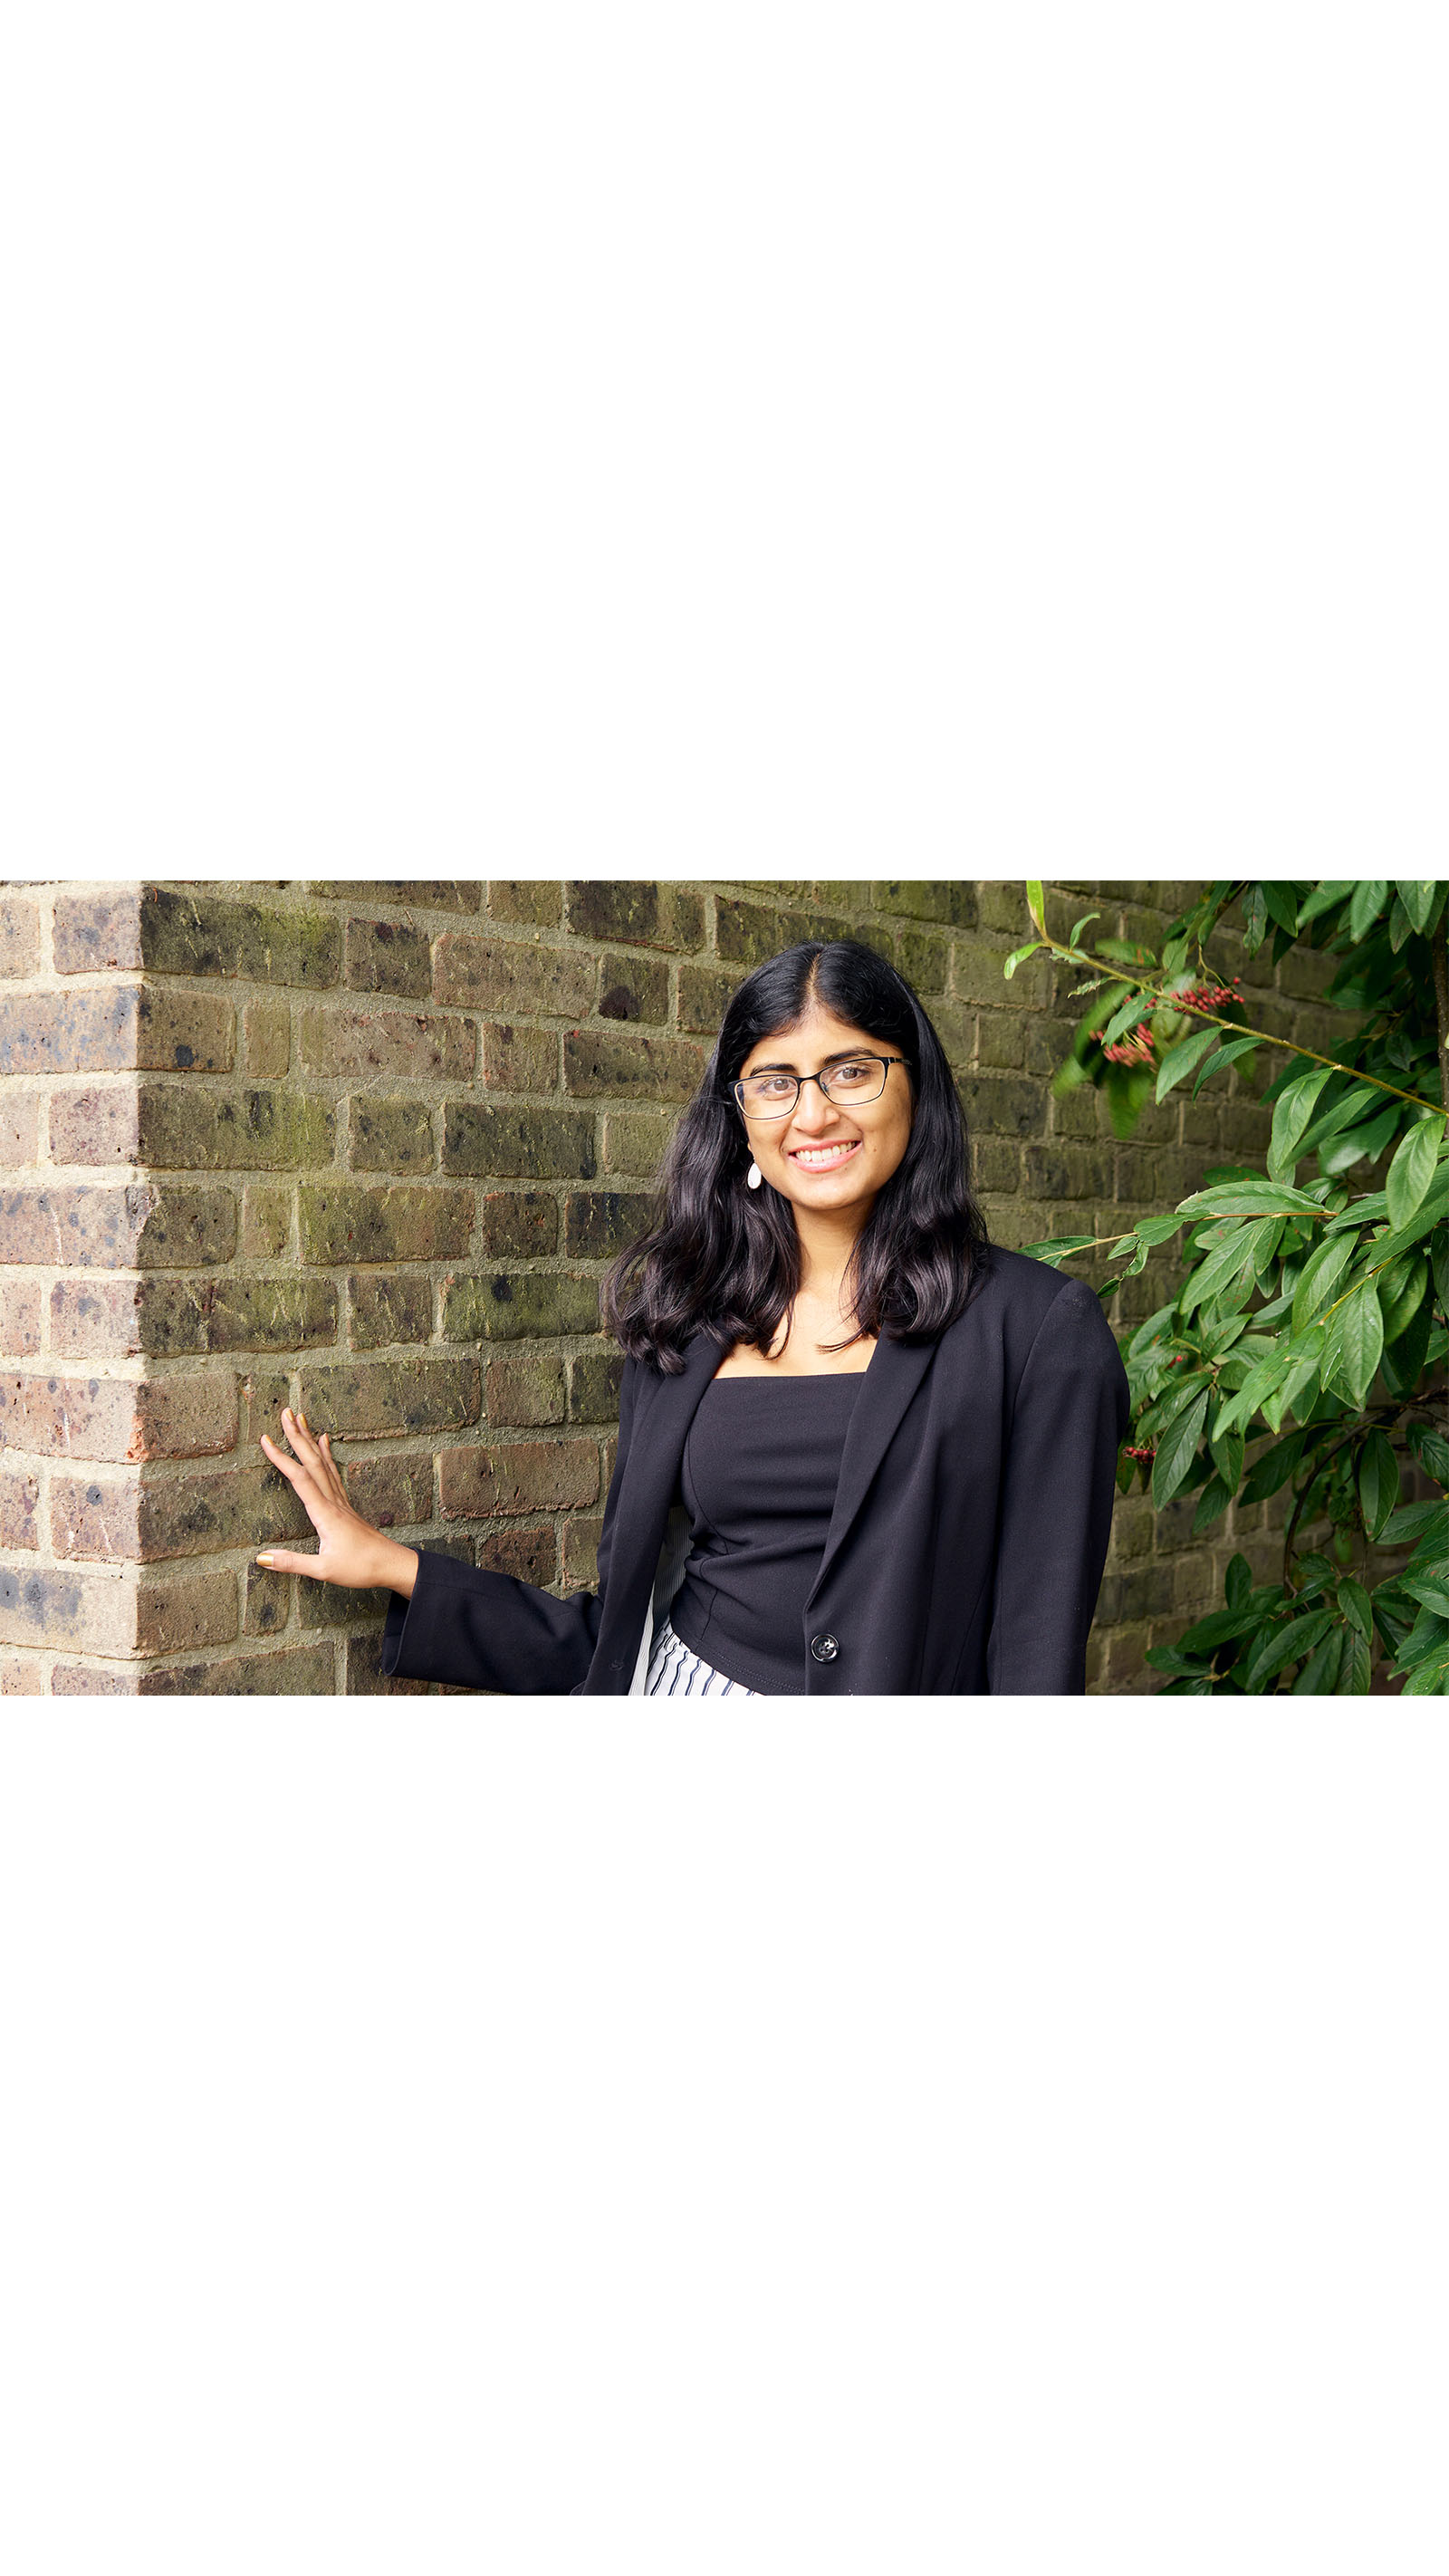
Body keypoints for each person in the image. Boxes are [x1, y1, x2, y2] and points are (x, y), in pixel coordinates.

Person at [255, 938, 1129, 1694]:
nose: (813, 1112)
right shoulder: (687, 1322)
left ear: (916, 1086)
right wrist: (396, 1567)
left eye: (852, 1070)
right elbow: (617, 1634)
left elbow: (1034, 1660)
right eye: (773, 1082)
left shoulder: (1036, 1331)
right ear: (739, 1116)